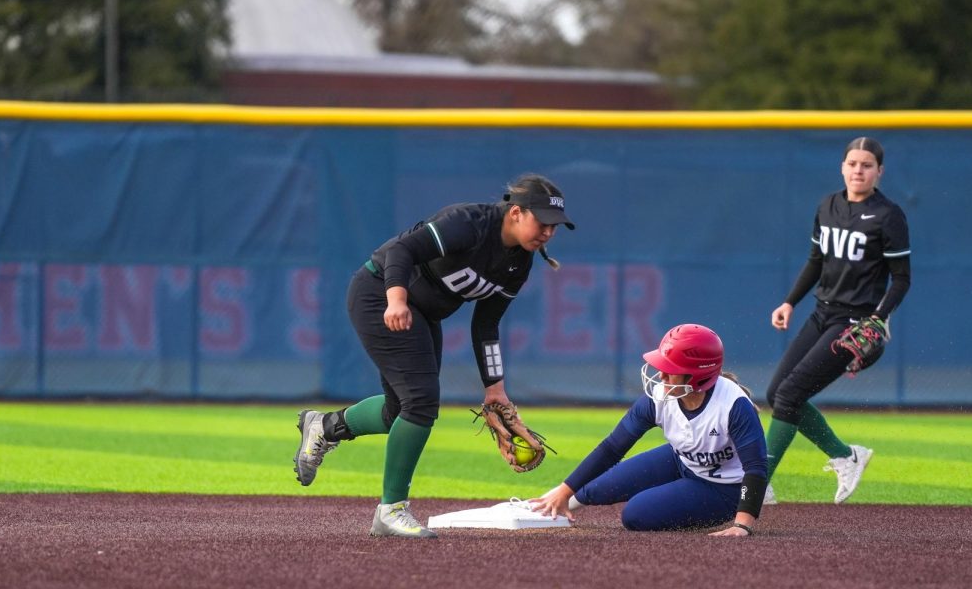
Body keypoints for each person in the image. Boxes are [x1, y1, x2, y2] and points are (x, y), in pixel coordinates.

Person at [294, 173, 575, 538]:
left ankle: (327, 426)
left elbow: (486, 326)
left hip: (422, 313)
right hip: (378, 293)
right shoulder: (470, 224)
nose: (549, 233)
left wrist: (495, 389)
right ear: (517, 212)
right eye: (543, 222)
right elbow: (401, 251)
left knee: (402, 410)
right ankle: (391, 510)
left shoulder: (519, 263)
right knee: (422, 402)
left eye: (556, 227)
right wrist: (395, 299)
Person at [764, 136, 911, 505]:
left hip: (854, 320)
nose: (858, 170)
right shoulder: (828, 205)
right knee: (777, 393)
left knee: (789, 394)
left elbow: (902, 278)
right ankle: (847, 455)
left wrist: (878, 318)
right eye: (852, 163)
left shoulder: (888, 215)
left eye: (866, 165)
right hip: (821, 311)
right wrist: (789, 302)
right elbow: (817, 260)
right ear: (842, 167)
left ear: (879, 171)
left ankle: (756, 481)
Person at [529, 324, 768, 537]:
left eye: (670, 370)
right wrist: (564, 490)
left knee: (636, 514)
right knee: (595, 487)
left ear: (696, 376)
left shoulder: (733, 406)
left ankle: (737, 505)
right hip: (681, 460)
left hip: (724, 489)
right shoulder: (657, 399)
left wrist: (743, 524)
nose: (661, 376)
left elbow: (756, 468)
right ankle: (549, 505)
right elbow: (612, 448)